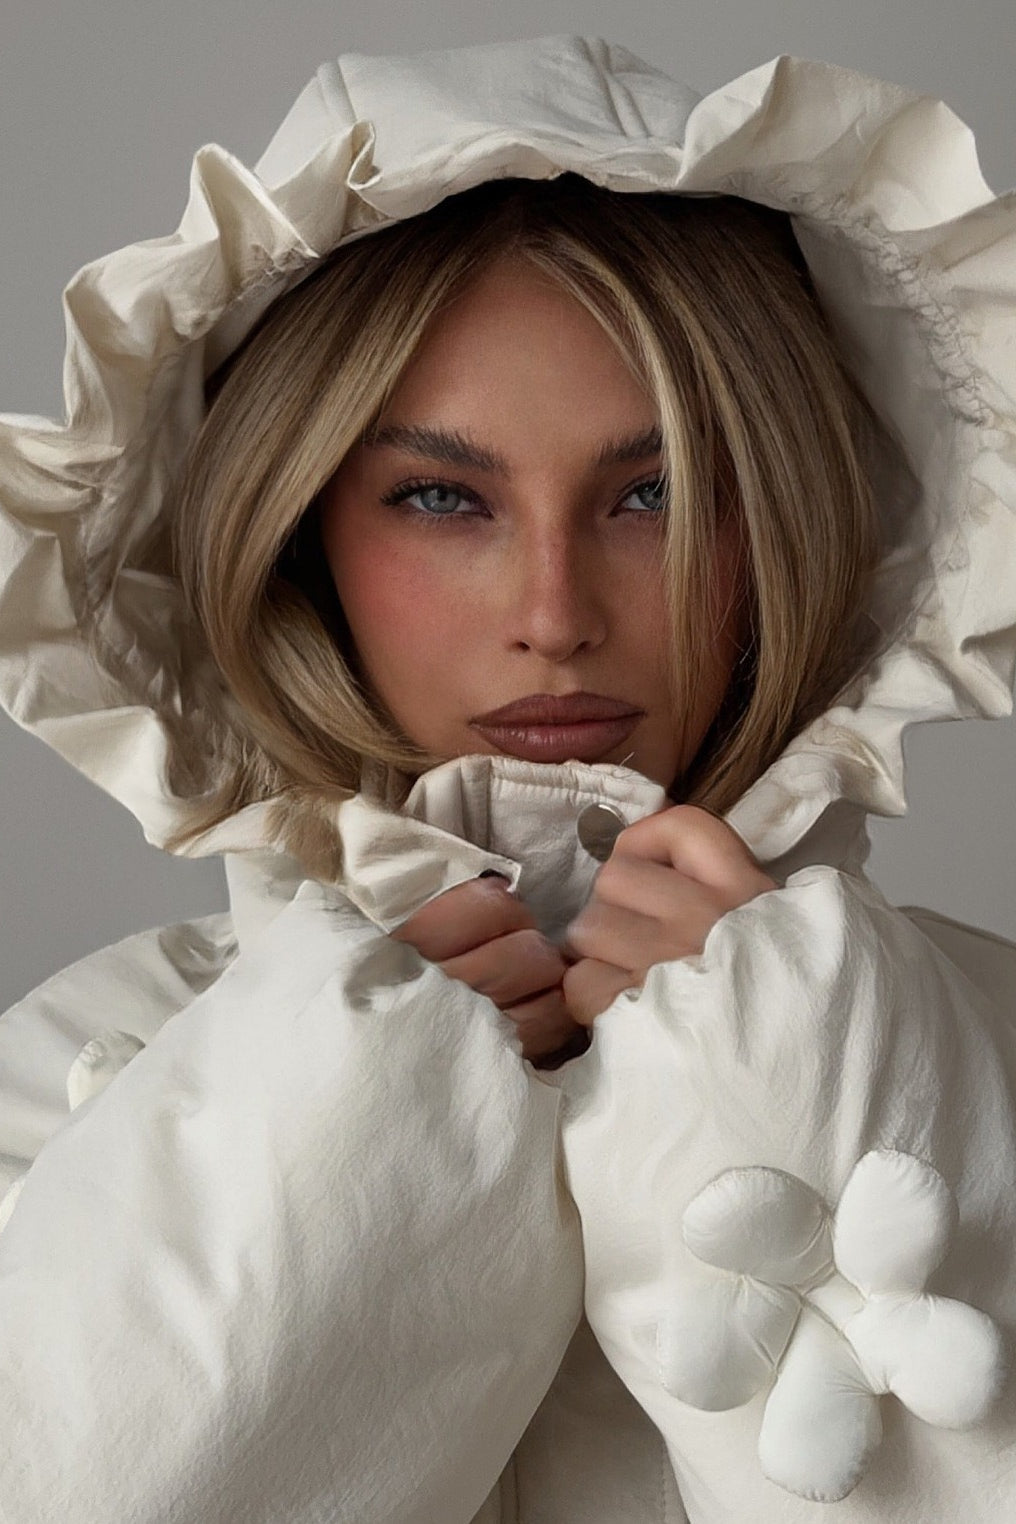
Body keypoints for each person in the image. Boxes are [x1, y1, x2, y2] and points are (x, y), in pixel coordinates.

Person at [0, 32, 1013, 1524]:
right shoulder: (76, 1075)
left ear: (793, 518)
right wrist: (344, 1115)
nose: (554, 612)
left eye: (659, 492)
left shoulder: (988, 1044)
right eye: (440, 497)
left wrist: (792, 1078)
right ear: (300, 535)